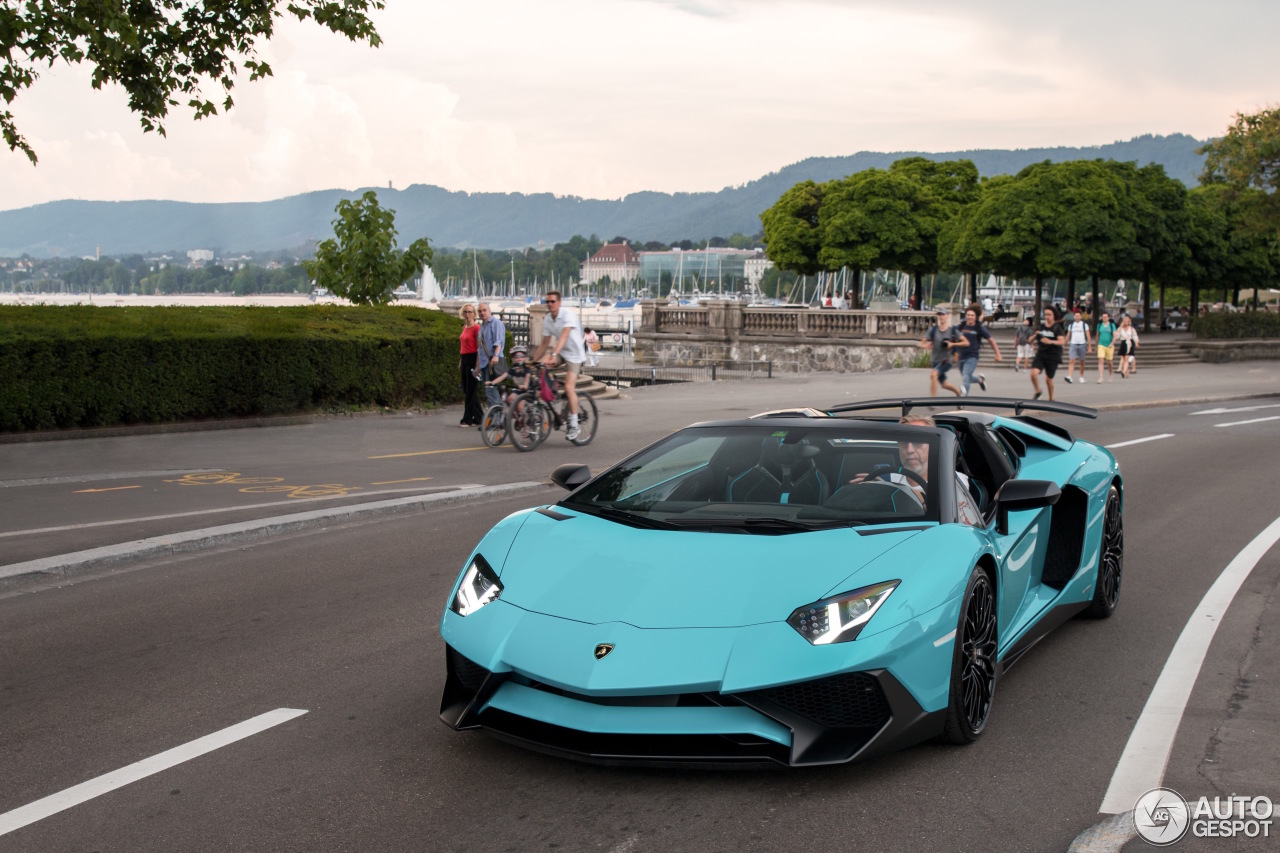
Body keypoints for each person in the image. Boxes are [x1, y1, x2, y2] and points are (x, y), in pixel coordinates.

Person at [845, 415, 980, 525]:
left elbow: (965, 525)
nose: (909, 450)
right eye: (904, 443)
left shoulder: (955, 481)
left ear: (933, 446)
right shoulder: (887, 478)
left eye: (917, 442)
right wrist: (878, 490)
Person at [531, 290, 587, 440]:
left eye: (552, 301)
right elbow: (544, 343)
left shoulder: (567, 315)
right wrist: (533, 361)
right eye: (547, 302)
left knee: (569, 387)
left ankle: (574, 425)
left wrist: (553, 354)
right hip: (561, 353)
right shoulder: (548, 319)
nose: (549, 304)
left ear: (559, 302)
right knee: (542, 367)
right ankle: (551, 399)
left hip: (574, 355)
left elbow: (563, 337)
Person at [956, 306, 1003, 396]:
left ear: (975, 317)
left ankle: (963, 399)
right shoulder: (960, 327)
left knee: (966, 376)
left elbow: (991, 340)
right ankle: (980, 380)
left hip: (972, 356)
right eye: (968, 315)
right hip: (961, 356)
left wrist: (998, 354)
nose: (970, 317)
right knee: (967, 377)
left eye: (972, 315)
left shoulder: (979, 328)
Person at [920, 307, 964, 397]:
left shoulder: (953, 331)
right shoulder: (933, 330)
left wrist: (952, 344)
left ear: (947, 316)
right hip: (935, 361)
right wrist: (925, 345)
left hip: (946, 360)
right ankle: (959, 392)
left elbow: (966, 342)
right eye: (939, 315)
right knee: (944, 384)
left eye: (943, 314)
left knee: (933, 375)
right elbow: (922, 343)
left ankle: (932, 401)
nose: (941, 317)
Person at [1029, 306, 1066, 401]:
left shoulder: (1057, 328)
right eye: (1045, 314)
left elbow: (1062, 341)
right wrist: (1035, 335)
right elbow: (1029, 341)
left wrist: (1050, 341)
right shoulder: (1041, 327)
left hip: (1053, 355)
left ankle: (1051, 398)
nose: (1047, 316)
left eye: (1049, 314)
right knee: (1033, 373)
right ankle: (1038, 391)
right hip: (1041, 354)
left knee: (1048, 379)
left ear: (1054, 316)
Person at [457, 304, 484, 427]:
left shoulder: (476, 328)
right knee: (468, 390)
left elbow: (479, 348)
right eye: (465, 312)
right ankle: (479, 418)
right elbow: (463, 346)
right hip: (465, 358)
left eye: (470, 312)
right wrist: (461, 361)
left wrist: (478, 364)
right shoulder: (465, 327)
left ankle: (467, 419)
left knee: (470, 391)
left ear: (474, 314)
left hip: (473, 358)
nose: (467, 314)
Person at [476, 303, 507, 408]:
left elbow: (499, 341)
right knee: (488, 391)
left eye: (484, 310)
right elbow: (480, 348)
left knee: (491, 391)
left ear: (489, 310)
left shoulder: (496, 323)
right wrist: (478, 365)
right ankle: (492, 419)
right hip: (485, 363)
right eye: (480, 311)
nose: (482, 313)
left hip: (492, 362)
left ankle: (496, 420)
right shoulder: (482, 326)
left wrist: (496, 355)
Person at [1063, 309, 1091, 384]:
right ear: (1074, 317)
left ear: (1081, 317)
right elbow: (1068, 335)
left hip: (1082, 343)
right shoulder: (1071, 325)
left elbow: (1088, 336)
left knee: (1082, 361)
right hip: (1073, 344)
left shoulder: (1084, 325)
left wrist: (1089, 347)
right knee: (1072, 360)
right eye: (1076, 316)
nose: (1077, 317)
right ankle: (1070, 376)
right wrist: (1064, 345)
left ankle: (1081, 376)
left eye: (1078, 316)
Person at [1095, 311, 1117, 382]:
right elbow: (1097, 335)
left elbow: (1114, 336)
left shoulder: (1112, 325)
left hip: (1109, 345)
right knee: (1101, 359)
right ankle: (1101, 376)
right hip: (1101, 344)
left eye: (1106, 317)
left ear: (1108, 318)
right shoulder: (1099, 325)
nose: (1104, 318)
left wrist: (1112, 343)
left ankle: (1110, 374)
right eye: (1103, 317)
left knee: (1109, 362)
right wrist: (1096, 345)